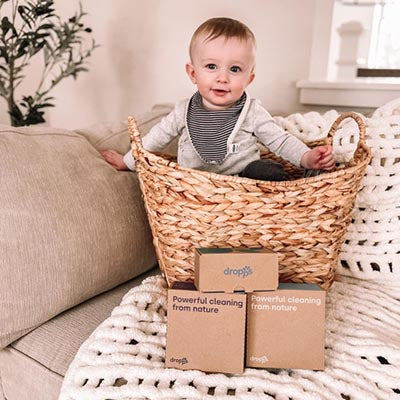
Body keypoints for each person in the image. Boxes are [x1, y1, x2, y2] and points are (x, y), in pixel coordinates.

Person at [101, 17, 334, 180]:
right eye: (211, 66)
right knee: (170, 176)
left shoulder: (251, 112)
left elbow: (280, 141)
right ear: (193, 73)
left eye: (235, 69)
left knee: (267, 172)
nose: (222, 78)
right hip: (195, 184)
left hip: (244, 184)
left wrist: (306, 157)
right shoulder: (183, 111)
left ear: (249, 79)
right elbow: (155, 139)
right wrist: (127, 161)